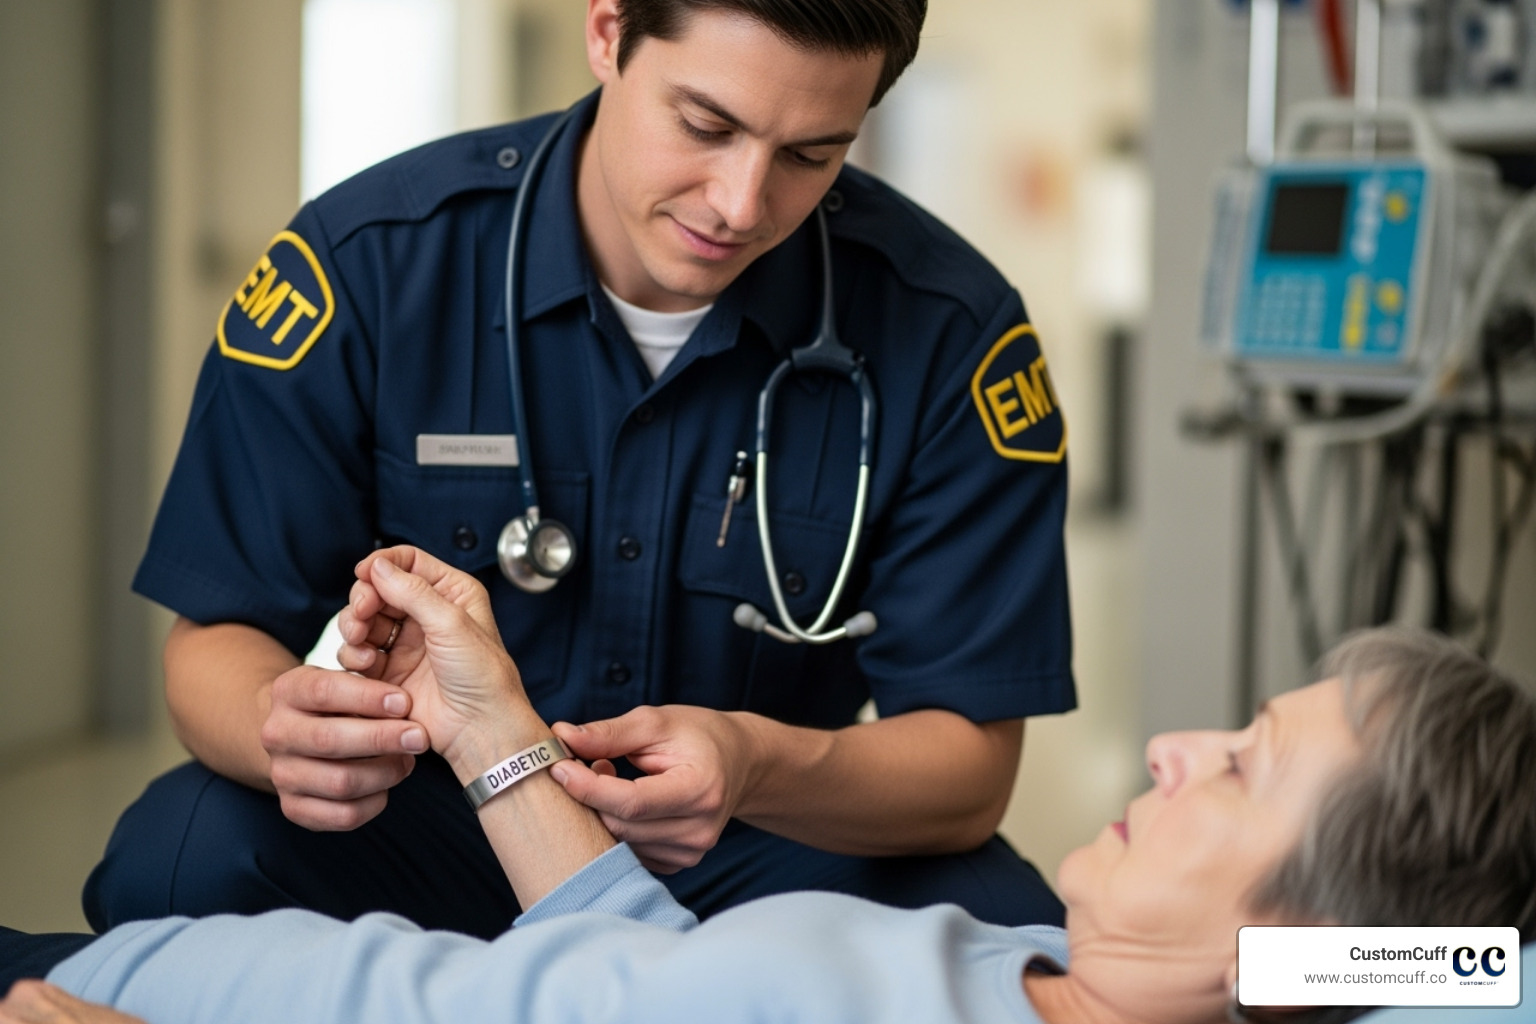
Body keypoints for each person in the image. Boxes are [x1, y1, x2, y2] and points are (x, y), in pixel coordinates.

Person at [84, 0, 1076, 937]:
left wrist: (755, 762)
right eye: (703, 123)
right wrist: (284, 729)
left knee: (1014, 937)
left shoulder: (948, 332)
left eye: (811, 155)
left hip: (767, 841)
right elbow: (216, 637)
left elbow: (968, 765)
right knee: (182, 856)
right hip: (438, 824)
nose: (740, 203)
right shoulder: (371, 265)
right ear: (608, 32)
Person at [5, 548, 1534, 1024]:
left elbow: (1479, 967)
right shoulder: (1023, 972)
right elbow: (636, 971)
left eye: (1244, 769)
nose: (1170, 748)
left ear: (1297, 955)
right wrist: (489, 727)